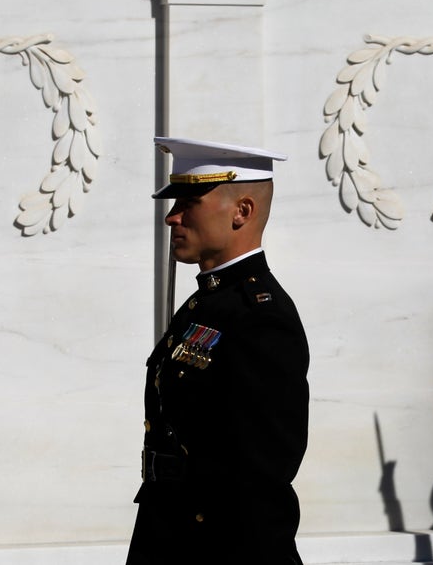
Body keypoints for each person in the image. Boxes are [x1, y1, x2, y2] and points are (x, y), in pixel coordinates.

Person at [127, 137, 310, 565]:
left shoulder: (260, 316)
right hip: (168, 529)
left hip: (217, 546)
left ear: (241, 211)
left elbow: (263, 472)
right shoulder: (207, 304)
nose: (172, 218)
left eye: (189, 203)